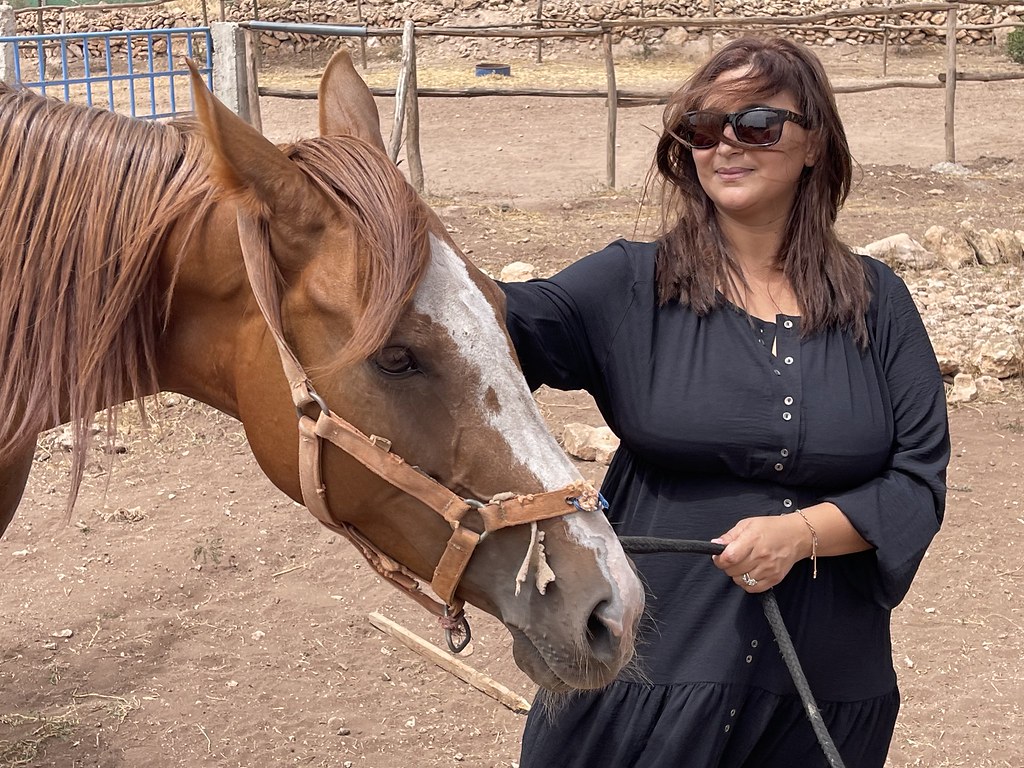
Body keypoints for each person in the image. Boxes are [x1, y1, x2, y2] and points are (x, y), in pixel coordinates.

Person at [500, 35, 949, 767]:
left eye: (757, 124)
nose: (725, 146)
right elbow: (475, 332)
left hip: (824, 694)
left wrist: (800, 534)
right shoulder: (627, 284)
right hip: (644, 686)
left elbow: (917, 487)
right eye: (703, 130)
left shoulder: (880, 303)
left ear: (814, 145)